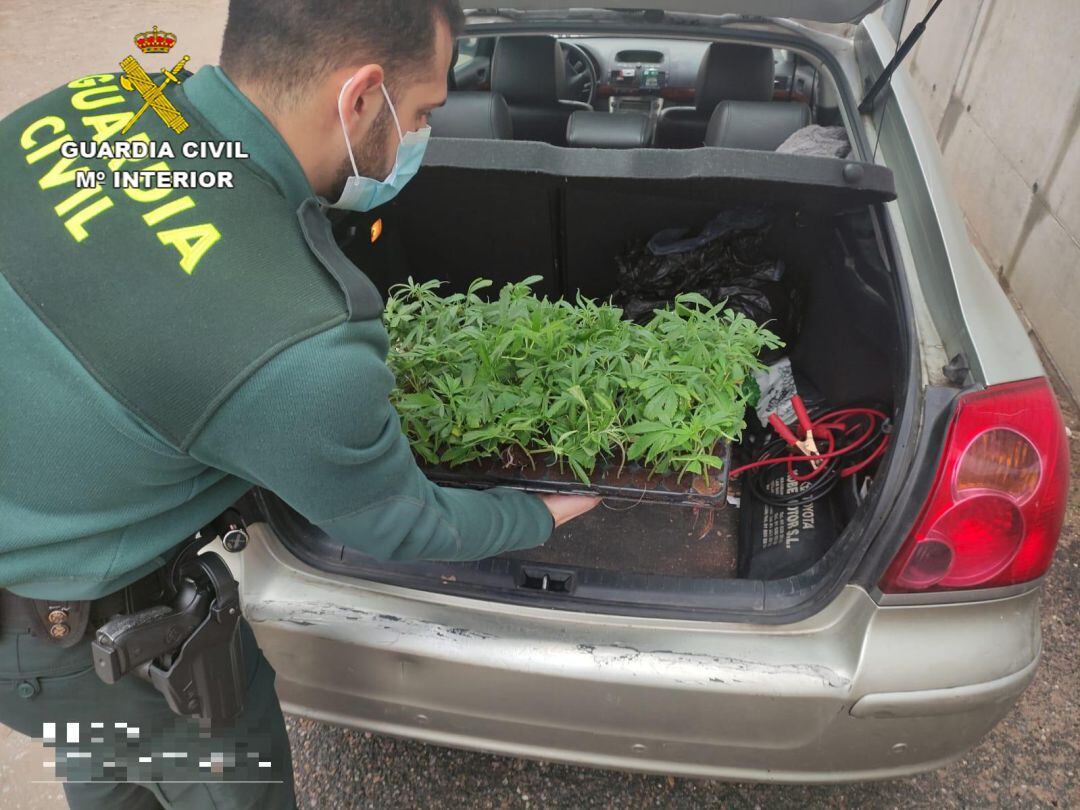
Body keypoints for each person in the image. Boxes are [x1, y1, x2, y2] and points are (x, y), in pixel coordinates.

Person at [0, 1, 598, 807]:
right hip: (83, 642)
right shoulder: (300, 344)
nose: (421, 135)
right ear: (360, 98)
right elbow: (402, 524)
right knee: (212, 766)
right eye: (422, 113)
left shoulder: (91, 107)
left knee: (100, 757)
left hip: (41, 623)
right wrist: (539, 515)